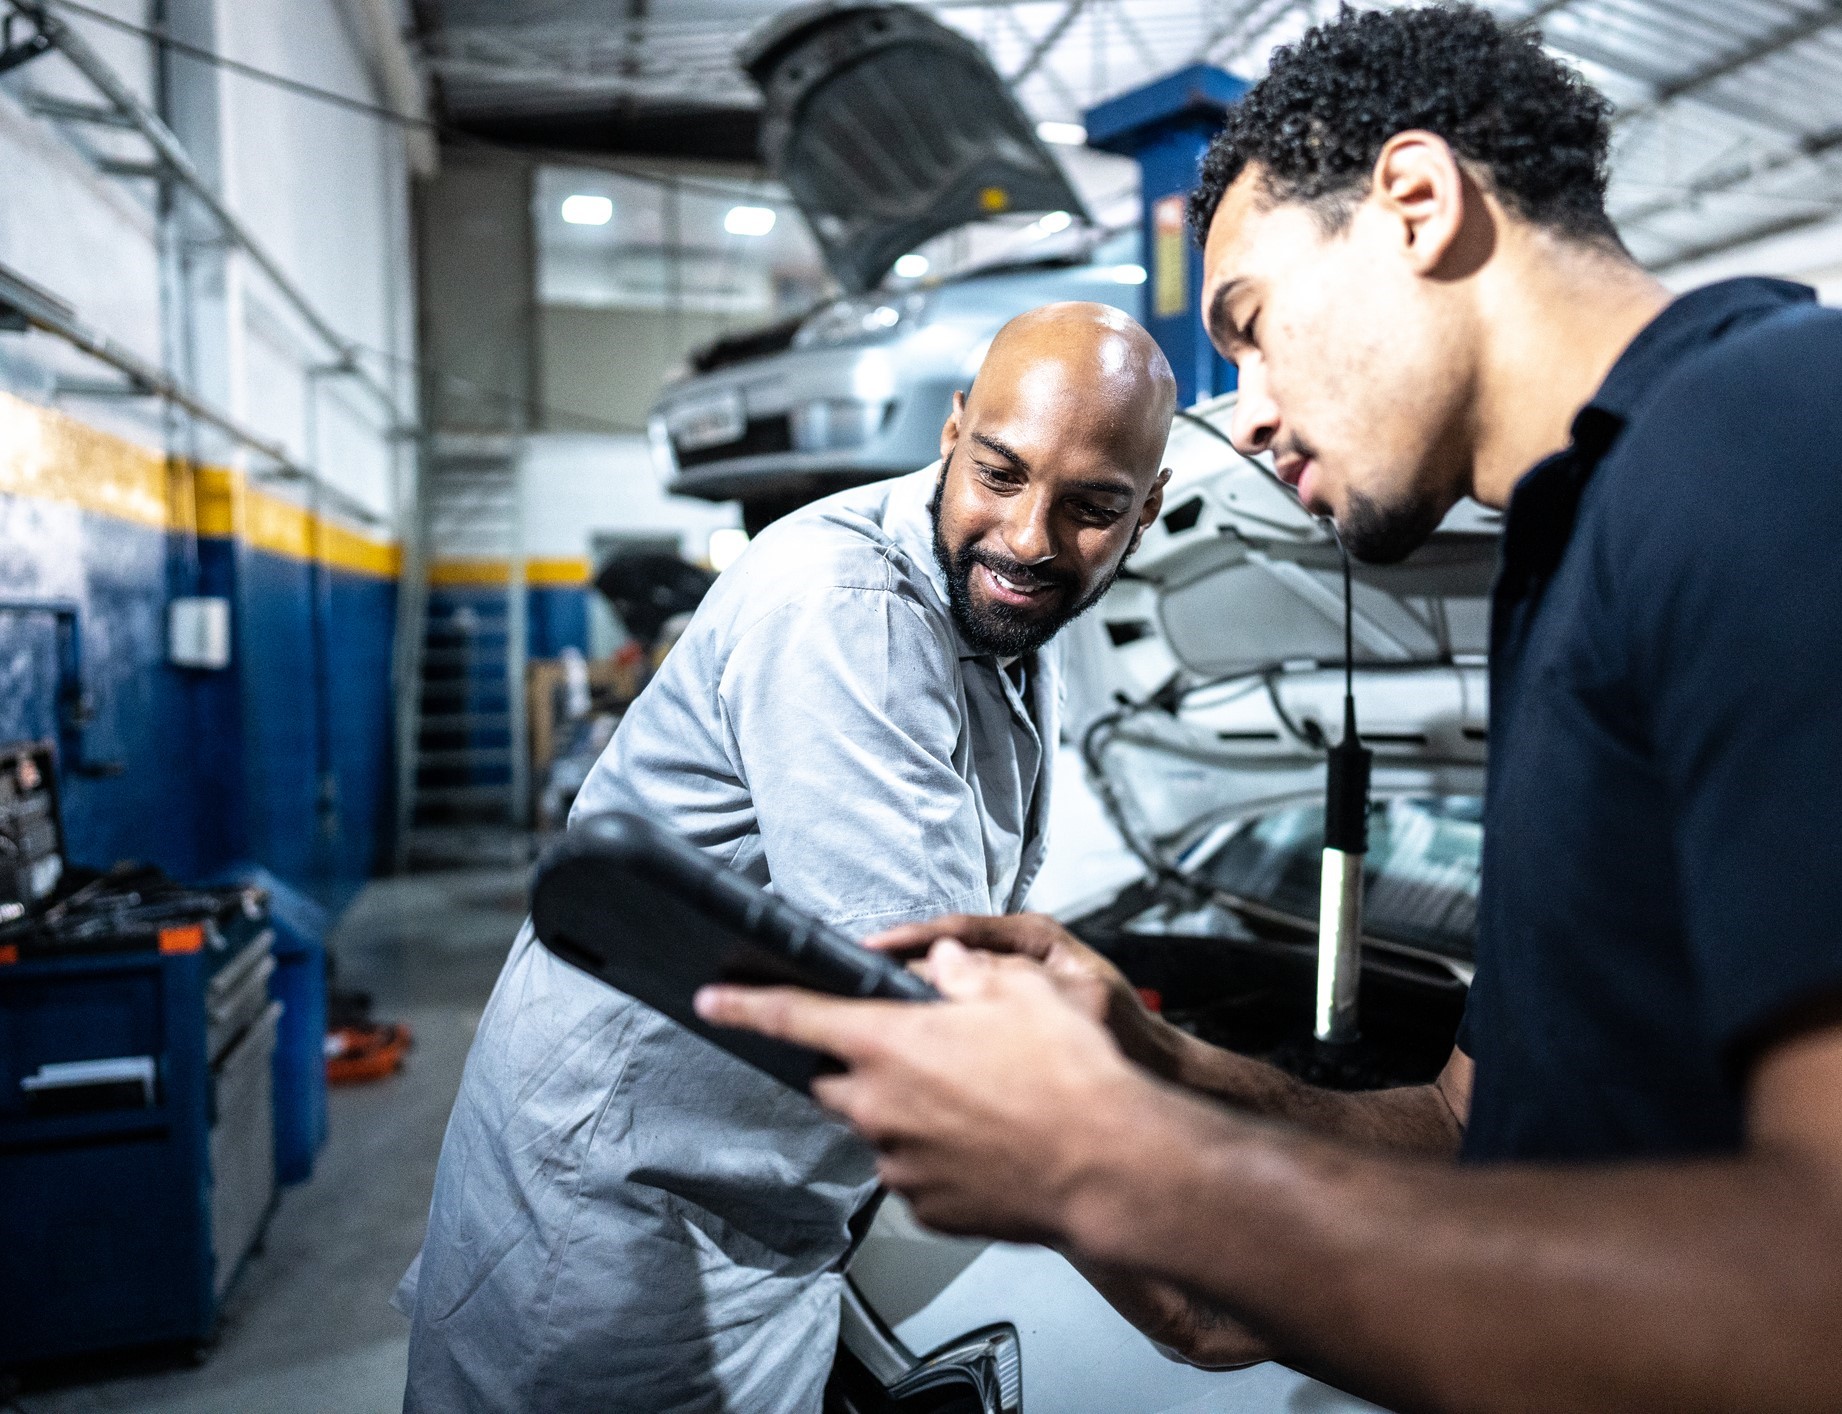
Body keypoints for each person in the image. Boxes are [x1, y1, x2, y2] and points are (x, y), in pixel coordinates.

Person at [698, 7, 1842, 1410]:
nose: (1247, 413)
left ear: (1414, 205)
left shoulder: (1774, 435)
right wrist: (1158, 1062)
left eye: (1247, 323)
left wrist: (1143, 1170)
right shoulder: (1579, 546)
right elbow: (1461, 1125)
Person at [395, 302, 1176, 1412]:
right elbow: (933, 1002)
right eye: (1001, 473)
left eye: (1091, 508)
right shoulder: (845, 607)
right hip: (635, 1213)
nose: (1030, 537)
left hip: (761, 1195)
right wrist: (1184, 1279)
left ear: (1146, 514)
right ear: (952, 429)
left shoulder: (992, 615)